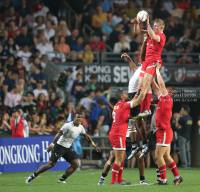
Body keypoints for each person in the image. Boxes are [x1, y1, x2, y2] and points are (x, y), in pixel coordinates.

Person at [26, 112, 101, 184]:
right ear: (74, 118)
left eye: (81, 117)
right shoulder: (68, 125)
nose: (80, 119)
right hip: (59, 147)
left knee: (75, 164)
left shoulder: (81, 127)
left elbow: (86, 136)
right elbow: (58, 134)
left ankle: (62, 179)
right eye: (78, 117)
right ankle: (33, 175)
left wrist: (94, 145)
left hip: (67, 148)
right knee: (50, 165)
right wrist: (52, 145)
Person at [109, 81, 150, 185]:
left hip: (117, 133)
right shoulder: (124, 105)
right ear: (122, 97)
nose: (128, 95)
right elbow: (139, 100)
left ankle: (119, 180)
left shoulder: (117, 106)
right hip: (118, 134)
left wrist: (137, 92)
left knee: (121, 157)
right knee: (118, 158)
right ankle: (114, 181)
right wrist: (144, 90)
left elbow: (129, 115)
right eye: (126, 94)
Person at [152, 62, 183, 185]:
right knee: (166, 157)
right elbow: (156, 87)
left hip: (164, 131)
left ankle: (163, 180)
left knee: (158, 155)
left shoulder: (167, 99)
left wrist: (158, 70)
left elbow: (161, 84)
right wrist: (150, 76)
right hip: (163, 130)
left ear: (170, 93)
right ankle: (177, 177)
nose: (165, 89)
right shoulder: (162, 99)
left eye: (168, 89)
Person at [131, 15, 166, 117]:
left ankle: (146, 109)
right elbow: (137, 31)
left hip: (153, 62)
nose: (154, 27)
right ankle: (143, 109)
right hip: (145, 62)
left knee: (146, 83)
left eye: (156, 26)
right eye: (153, 26)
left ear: (161, 28)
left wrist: (147, 23)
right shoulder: (150, 33)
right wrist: (136, 24)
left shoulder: (161, 36)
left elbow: (154, 36)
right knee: (141, 86)